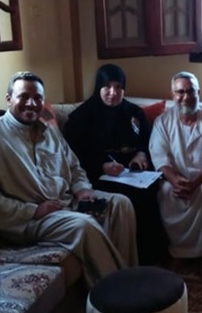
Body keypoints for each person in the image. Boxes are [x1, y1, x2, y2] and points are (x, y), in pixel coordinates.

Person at [0, 71, 137, 287]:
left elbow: (74, 167)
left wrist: (82, 189)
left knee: (120, 205)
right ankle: (118, 291)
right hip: (30, 220)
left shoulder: (50, 132)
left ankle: (128, 275)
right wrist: (33, 211)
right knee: (83, 225)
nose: (31, 103)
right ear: (9, 99)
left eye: (37, 98)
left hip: (67, 203)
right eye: (23, 97)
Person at [64, 64, 165, 265]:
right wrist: (101, 166)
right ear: (98, 87)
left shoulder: (134, 112)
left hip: (133, 174)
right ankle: (130, 259)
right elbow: (72, 156)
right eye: (107, 87)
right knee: (131, 197)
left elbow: (146, 142)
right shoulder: (81, 117)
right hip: (99, 175)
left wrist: (141, 155)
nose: (113, 92)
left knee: (152, 191)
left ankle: (153, 257)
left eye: (118, 87)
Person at [149, 71, 202, 276]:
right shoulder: (162, 122)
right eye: (180, 92)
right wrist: (175, 180)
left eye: (191, 91)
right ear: (172, 95)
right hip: (175, 178)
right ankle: (179, 253)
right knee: (166, 191)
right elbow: (160, 158)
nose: (186, 96)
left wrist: (194, 183)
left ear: (198, 93)